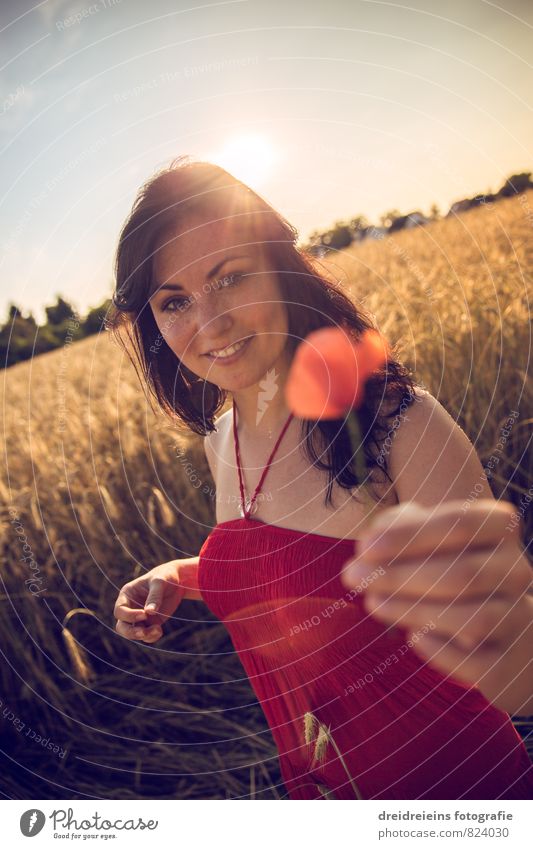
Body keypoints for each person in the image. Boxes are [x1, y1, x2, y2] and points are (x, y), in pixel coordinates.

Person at [110, 155, 533, 800]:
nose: (209, 323)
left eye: (230, 278)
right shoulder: (223, 440)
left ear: (281, 272)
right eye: (174, 302)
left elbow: (515, 672)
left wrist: (506, 631)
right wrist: (179, 576)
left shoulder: (399, 426)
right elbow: (282, 567)